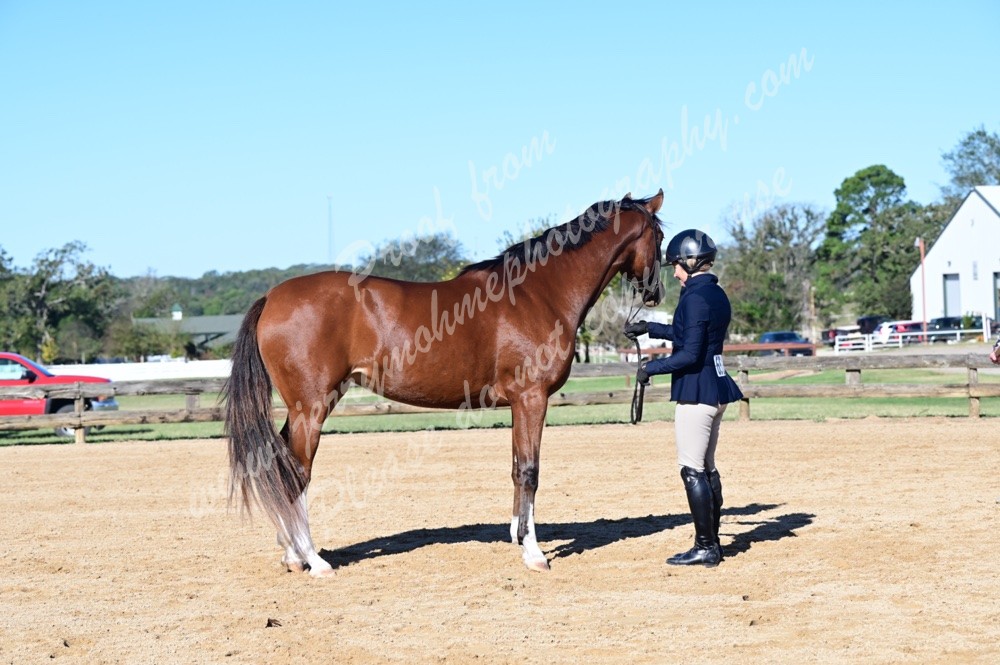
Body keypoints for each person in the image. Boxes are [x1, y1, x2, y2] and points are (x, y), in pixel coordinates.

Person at [624, 229, 743, 567]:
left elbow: (689, 353)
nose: (674, 273)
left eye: (676, 265)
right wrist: (650, 328)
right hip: (716, 387)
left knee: (692, 470)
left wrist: (651, 368)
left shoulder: (693, 298)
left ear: (691, 262)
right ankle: (712, 542)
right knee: (707, 468)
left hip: (697, 391)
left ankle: (706, 547)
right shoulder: (715, 293)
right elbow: (689, 333)